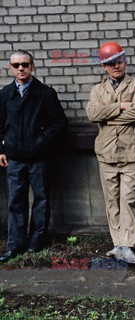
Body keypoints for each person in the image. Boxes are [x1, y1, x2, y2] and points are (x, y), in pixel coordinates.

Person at [0, 50, 68, 262]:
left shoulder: (46, 93)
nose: (21, 68)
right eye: (16, 65)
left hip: (40, 157)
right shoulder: (4, 94)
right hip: (15, 158)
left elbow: (60, 125)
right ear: (10, 68)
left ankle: (36, 243)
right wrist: (1, 149)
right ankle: (14, 246)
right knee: (16, 202)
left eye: (25, 64)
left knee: (41, 199)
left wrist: (39, 143)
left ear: (32, 66)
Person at [86, 42, 135, 264]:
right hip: (106, 153)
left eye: (120, 61)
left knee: (129, 199)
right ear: (104, 66)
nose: (116, 66)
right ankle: (117, 244)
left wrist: (107, 115)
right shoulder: (97, 89)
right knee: (112, 200)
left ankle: (128, 245)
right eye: (111, 63)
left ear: (125, 61)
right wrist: (120, 106)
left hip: (132, 152)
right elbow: (92, 115)